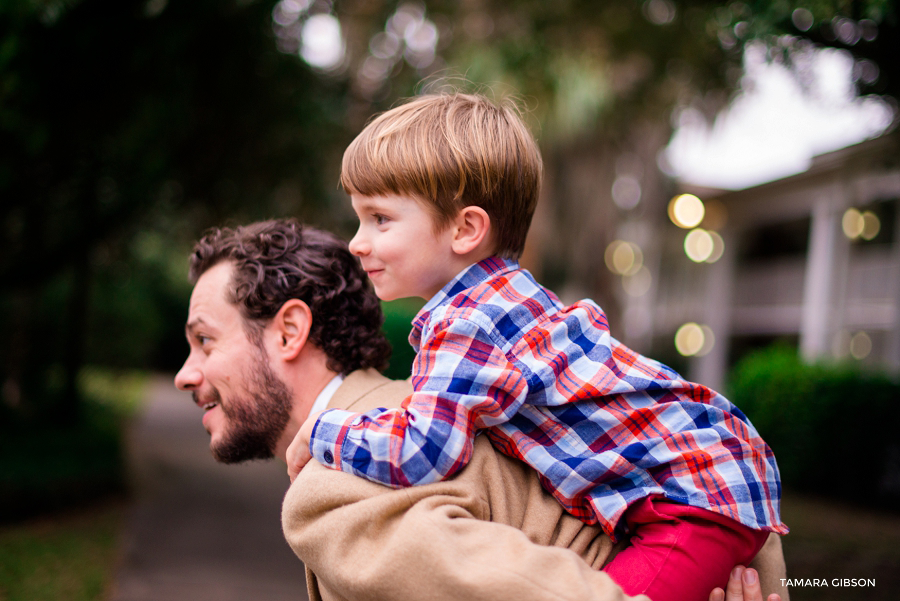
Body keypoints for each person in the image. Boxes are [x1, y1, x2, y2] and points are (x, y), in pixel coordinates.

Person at [287, 92, 788, 601]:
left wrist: (326, 432)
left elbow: (424, 450)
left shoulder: (465, 323)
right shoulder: (509, 296)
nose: (357, 240)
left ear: (465, 229)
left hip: (694, 503)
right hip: (710, 473)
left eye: (380, 219)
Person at [174, 219, 788, 601]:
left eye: (205, 340)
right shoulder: (468, 403)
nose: (185, 374)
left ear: (288, 333)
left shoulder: (340, 478)